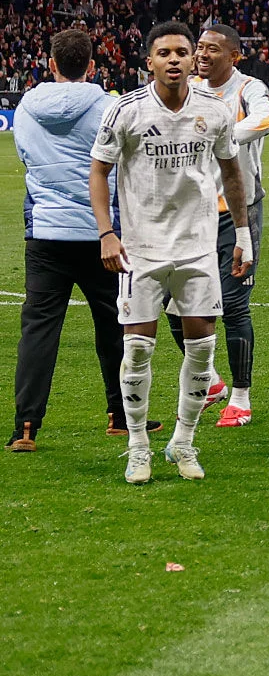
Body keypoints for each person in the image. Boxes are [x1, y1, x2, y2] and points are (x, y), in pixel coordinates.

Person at [89, 21, 252, 483]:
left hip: (198, 247)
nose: (176, 59)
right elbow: (98, 172)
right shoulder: (126, 111)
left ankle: (183, 441)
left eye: (182, 51)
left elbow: (232, 175)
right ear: (150, 61)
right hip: (140, 248)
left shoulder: (215, 111)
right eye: (165, 53)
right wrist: (107, 232)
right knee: (138, 350)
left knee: (201, 349)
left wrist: (242, 235)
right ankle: (138, 445)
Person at [11, 29, 153, 452]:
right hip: (101, 234)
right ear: (92, 65)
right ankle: (120, 417)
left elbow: (26, 158)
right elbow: (127, 162)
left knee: (38, 329)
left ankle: (26, 428)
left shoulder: (25, 107)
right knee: (114, 324)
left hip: (47, 233)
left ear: (50, 63)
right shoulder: (111, 107)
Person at [164, 23, 269, 428]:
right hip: (191, 210)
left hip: (238, 212)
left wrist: (222, 136)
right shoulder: (187, 89)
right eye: (200, 49)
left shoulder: (248, 89)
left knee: (232, 304)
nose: (202, 55)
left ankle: (242, 397)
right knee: (171, 299)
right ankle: (210, 381)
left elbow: (266, 120)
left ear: (234, 56)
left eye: (212, 49)